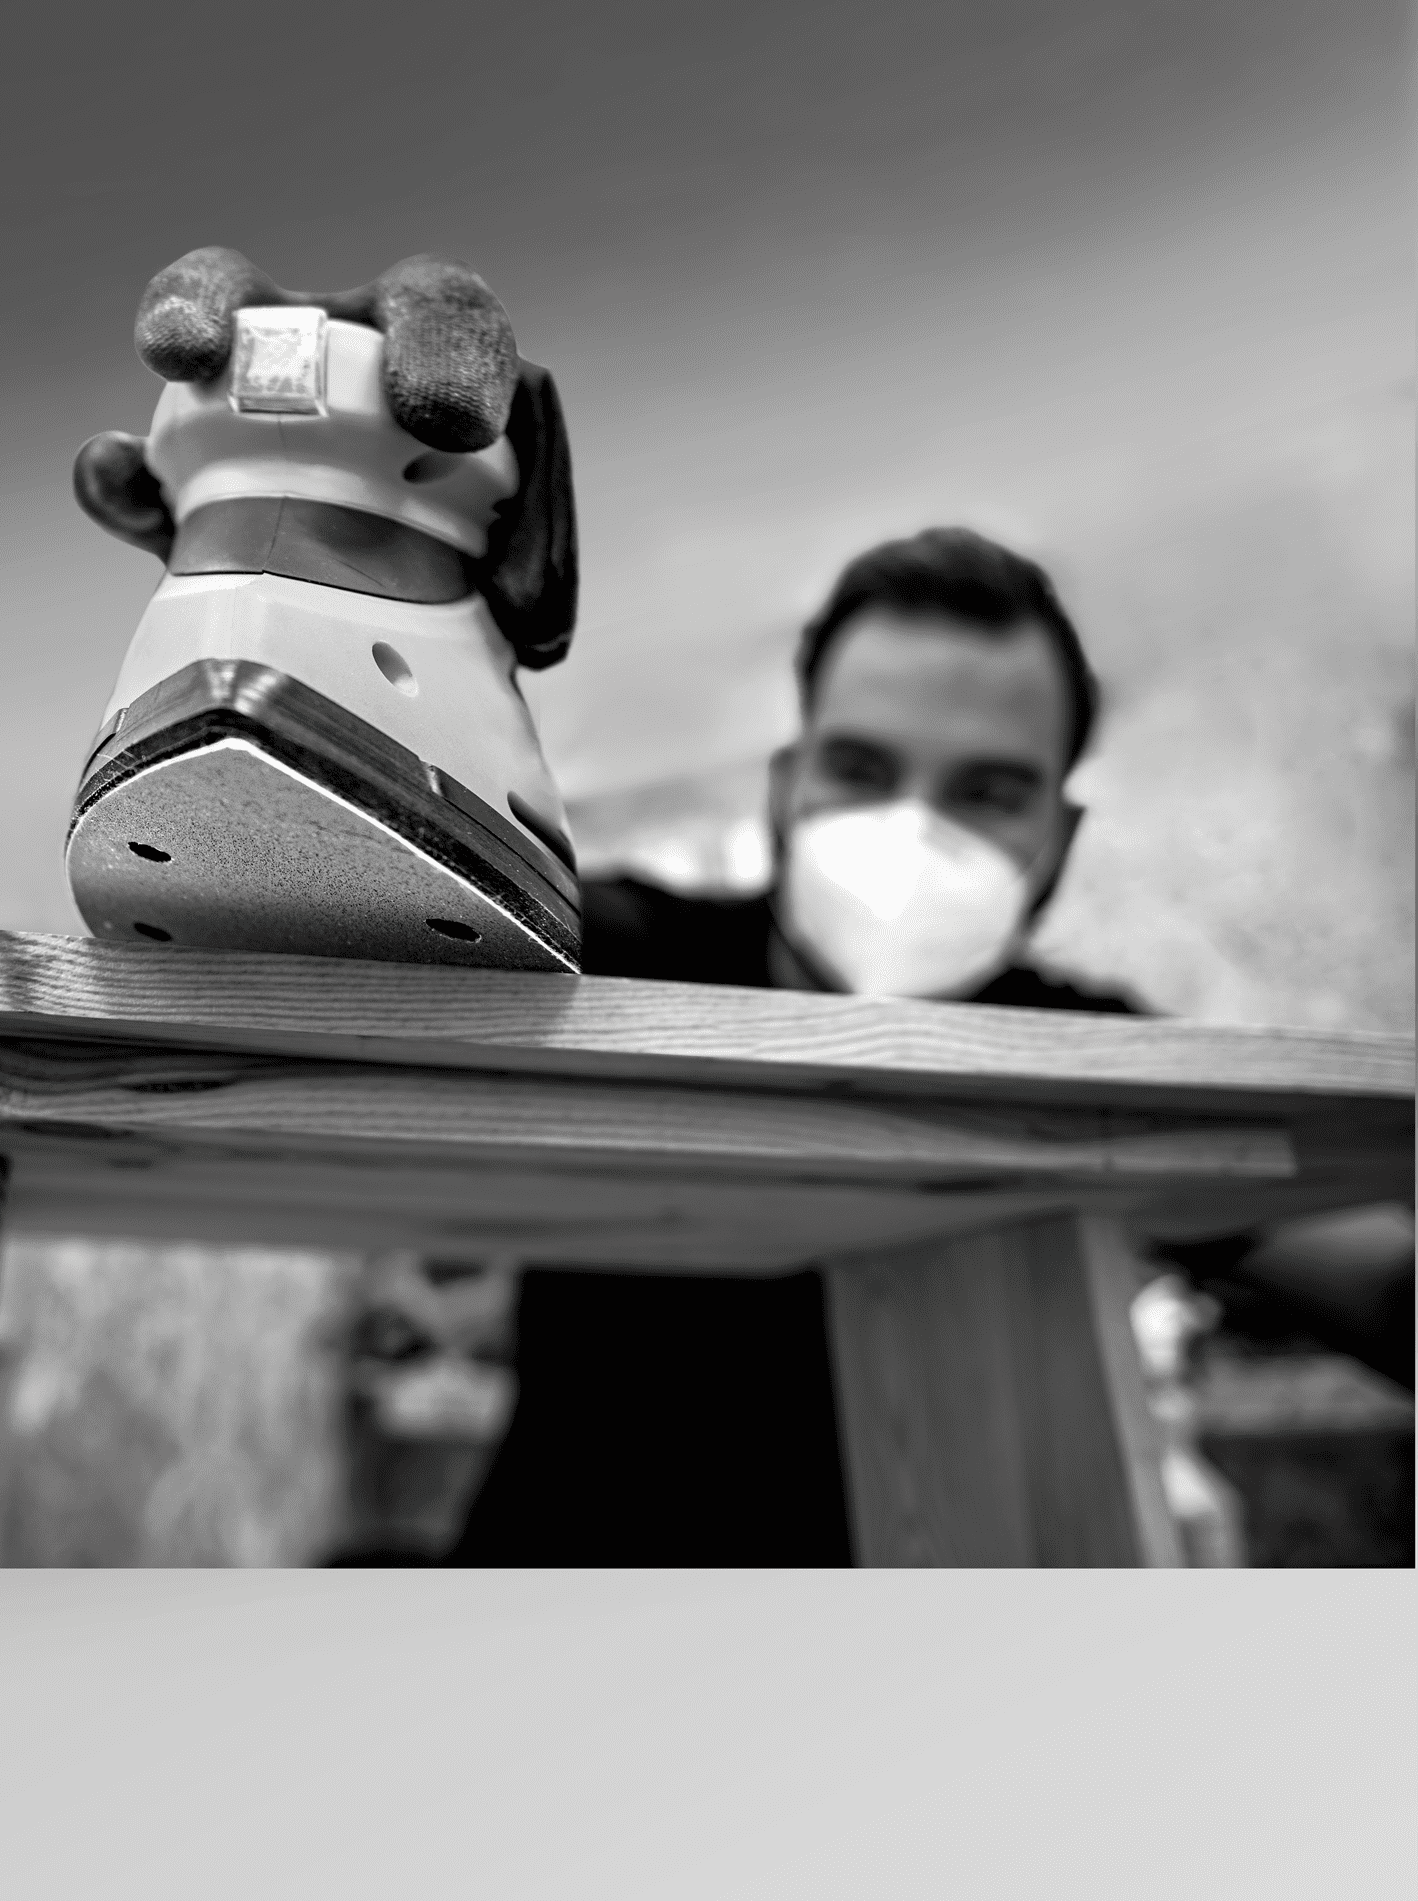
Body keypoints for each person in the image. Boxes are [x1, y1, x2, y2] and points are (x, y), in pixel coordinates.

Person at [448, 526, 1144, 1567]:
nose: (911, 834)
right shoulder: (622, 963)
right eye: (859, 769)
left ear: (1062, 835)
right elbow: (389, 906)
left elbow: (1365, 1266)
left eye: (988, 792)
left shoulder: (1097, 1064)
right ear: (785, 785)